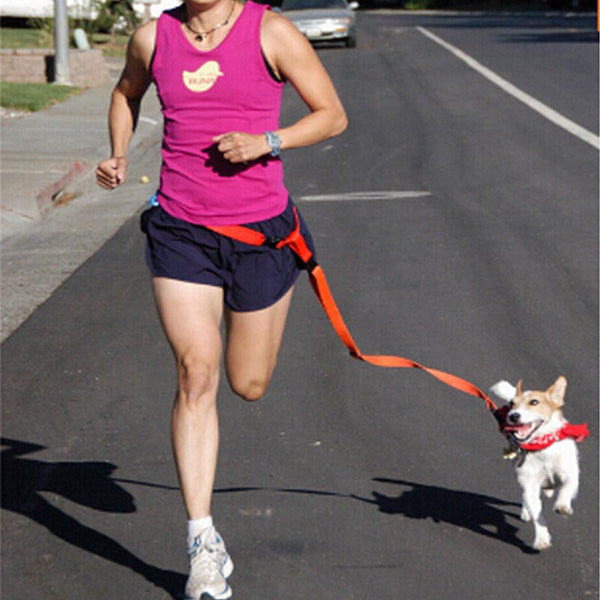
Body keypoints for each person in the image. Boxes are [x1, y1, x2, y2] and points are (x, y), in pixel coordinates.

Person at [96, 0, 347, 598]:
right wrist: (118, 150)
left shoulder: (271, 31)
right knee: (195, 372)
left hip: (261, 236)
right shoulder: (153, 36)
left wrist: (270, 140)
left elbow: (332, 115)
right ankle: (202, 542)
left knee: (248, 382)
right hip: (181, 230)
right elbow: (125, 93)